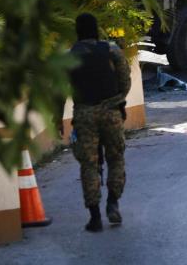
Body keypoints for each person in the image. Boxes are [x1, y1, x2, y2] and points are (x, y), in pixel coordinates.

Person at [67, 13, 131, 232]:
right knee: (116, 158)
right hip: (111, 112)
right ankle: (113, 203)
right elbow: (125, 77)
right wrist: (119, 99)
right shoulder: (110, 49)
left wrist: (57, 117)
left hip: (85, 114)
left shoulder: (71, 55)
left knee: (89, 164)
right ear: (96, 29)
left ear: (78, 31)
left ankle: (94, 217)